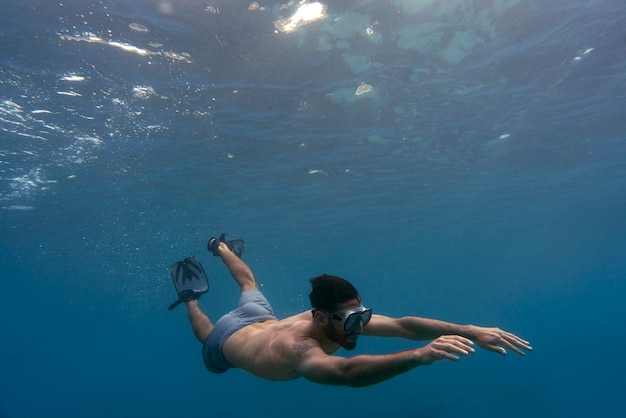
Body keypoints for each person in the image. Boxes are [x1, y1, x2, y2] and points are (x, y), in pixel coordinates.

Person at [169, 233, 532, 387]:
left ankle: (220, 247)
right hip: (230, 340)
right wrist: (420, 356)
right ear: (320, 317)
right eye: (350, 321)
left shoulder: (340, 321)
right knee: (206, 335)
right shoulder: (299, 349)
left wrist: (472, 330)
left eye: (362, 316)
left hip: (263, 321)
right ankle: (191, 298)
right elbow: (345, 373)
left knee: (250, 286)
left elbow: (405, 326)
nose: (359, 328)